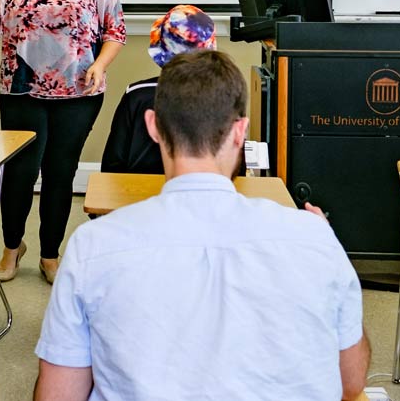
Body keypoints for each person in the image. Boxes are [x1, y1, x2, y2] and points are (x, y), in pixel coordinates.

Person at [33, 51, 369, 400]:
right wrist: (329, 249)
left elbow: (59, 395)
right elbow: (351, 381)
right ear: (241, 131)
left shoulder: (92, 246)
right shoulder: (312, 237)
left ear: (153, 127)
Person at [0, 0, 126, 284]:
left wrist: (99, 64)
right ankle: (11, 248)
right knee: (20, 172)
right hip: (21, 88)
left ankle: (49, 253)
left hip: (79, 92)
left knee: (60, 172)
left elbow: (115, 31)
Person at [101, 4, 216, 174]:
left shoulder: (136, 95)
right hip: (205, 196)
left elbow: (113, 163)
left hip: (135, 194)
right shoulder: (222, 95)